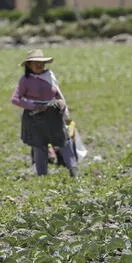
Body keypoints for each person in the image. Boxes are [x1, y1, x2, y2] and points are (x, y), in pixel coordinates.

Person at [11, 49, 78, 177]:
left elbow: (57, 93)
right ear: (29, 65)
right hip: (34, 117)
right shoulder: (25, 80)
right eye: (35, 62)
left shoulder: (49, 75)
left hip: (53, 114)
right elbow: (15, 99)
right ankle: (42, 176)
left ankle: (73, 171)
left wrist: (61, 102)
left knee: (64, 141)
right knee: (39, 145)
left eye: (41, 62)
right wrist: (34, 106)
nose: (39, 65)